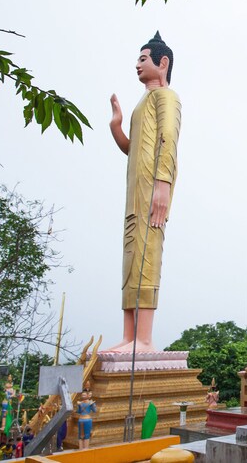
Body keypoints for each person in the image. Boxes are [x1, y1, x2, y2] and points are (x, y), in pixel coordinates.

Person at [104, 32, 182, 354]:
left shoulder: (167, 98)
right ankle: (129, 334)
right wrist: (116, 127)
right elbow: (133, 149)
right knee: (130, 257)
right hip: (134, 194)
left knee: (148, 253)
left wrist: (163, 184)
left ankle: (144, 339)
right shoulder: (141, 105)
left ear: (162, 64)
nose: (137, 65)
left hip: (153, 189)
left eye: (143, 59)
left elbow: (168, 139)